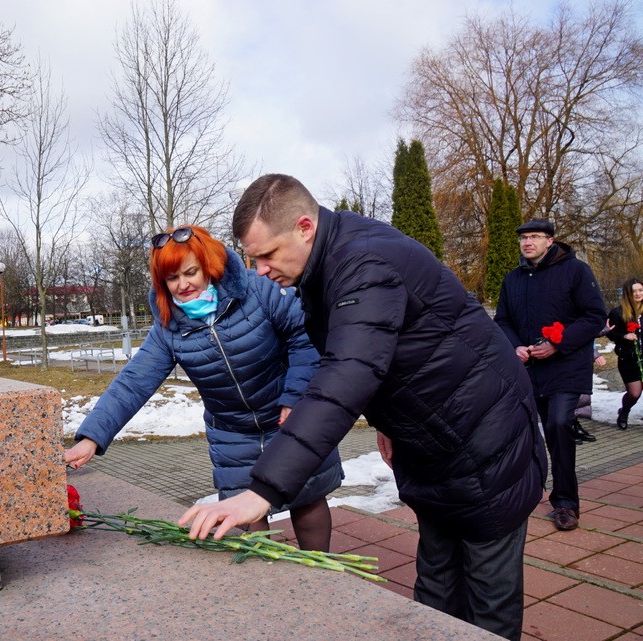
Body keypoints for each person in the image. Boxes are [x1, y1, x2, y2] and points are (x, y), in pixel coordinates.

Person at [179, 174, 546, 641]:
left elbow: (345, 376)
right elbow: (379, 356)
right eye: (253, 258)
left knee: (488, 594)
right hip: (435, 440)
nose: (260, 269)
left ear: (305, 226)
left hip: (485, 438)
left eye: (268, 254)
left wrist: (263, 491)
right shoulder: (327, 264)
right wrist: (389, 419)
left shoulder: (364, 261)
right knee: (436, 581)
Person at [65, 224, 343, 551]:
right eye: (171, 278)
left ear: (208, 265)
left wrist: (296, 398)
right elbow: (134, 382)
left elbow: (306, 336)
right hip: (233, 432)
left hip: (289, 416)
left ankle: (322, 575)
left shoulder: (259, 291)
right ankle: (271, 584)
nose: (182, 285)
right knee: (246, 516)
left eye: (190, 272)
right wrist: (91, 438)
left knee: (306, 497)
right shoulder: (170, 327)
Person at [494, 219, 607, 533]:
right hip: (529, 369)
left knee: (558, 424)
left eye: (534, 236)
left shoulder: (575, 271)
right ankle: (525, 493)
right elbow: (502, 320)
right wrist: (514, 345)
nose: (527, 242)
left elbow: (595, 316)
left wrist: (558, 343)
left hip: (566, 366)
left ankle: (566, 503)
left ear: (550, 240)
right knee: (526, 432)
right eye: (523, 238)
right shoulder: (513, 279)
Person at [606, 278, 643, 430]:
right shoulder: (618, 312)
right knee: (634, 393)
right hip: (629, 358)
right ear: (628, 294)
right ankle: (624, 412)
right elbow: (610, 333)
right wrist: (624, 336)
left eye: (640, 290)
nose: (638, 294)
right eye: (634, 291)